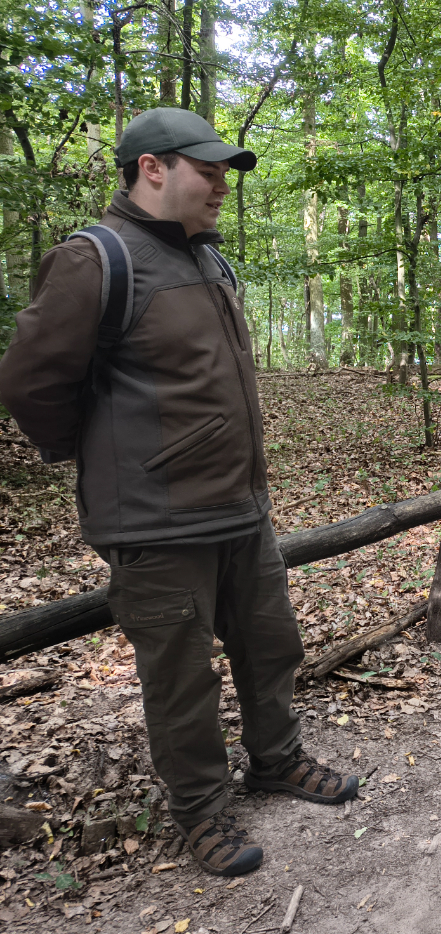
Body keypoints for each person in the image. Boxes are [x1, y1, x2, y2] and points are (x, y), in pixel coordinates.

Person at [0, 108, 356, 877]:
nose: (222, 184)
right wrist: (92, 452)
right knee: (182, 679)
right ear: (152, 168)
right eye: (209, 168)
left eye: (226, 170)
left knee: (270, 647)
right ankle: (200, 810)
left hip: (240, 508)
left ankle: (276, 759)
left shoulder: (208, 260)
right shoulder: (95, 260)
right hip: (158, 526)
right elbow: (29, 381)